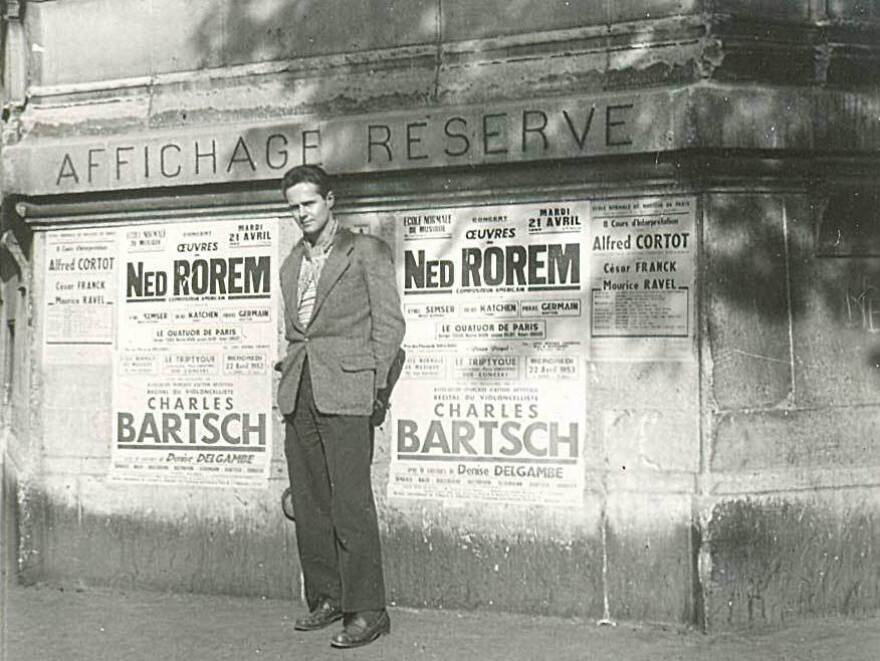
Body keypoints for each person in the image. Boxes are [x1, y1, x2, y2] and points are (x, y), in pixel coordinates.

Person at [275, 164, 405, 649]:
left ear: (330, 200)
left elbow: (389, 327)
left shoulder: (364, 251)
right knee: (310, 503)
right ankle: (327, 597)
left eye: (308, 203)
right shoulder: (292, 263)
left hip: (348, 392)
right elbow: (301, 333)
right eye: (293, 206)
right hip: (301, 392)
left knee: (350, 502)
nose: (301, 213)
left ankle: (368, 610)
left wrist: (373, 389)